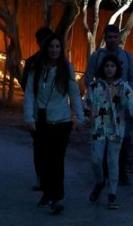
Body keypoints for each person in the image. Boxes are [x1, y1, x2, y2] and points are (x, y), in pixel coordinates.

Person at [23, 34, 85, 215]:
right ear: (45, 48)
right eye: (51, 46)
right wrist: (29, 117)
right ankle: (48, 192)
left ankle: (57, 197)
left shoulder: (66, 68)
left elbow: (74, 95)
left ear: (61, 49)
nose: (54, 50)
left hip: (62, 121)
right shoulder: (36, 68)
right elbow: (29, 94)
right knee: (43, 160)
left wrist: (79, 117)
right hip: (41, 119)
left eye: (58, 47)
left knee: (57, 160)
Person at [84, 54, 133, 209]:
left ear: (117, 68)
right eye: (107, 66)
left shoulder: (123, 87)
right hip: (98, 128)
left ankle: (112, 194)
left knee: (113, 161)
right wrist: (80, 119)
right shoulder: (95, 87)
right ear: (103, 68)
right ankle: (100, 181)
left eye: (112, 66)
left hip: (116, 129)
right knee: (96, 160)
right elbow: (86, 105)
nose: (109, 69)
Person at [85, 24, 133, 184]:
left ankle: (121, 170)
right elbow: (88, 77)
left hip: (121, 106)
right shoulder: (97, 56)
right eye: (109, 37)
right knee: (103, 137)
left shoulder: (127, 57)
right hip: (102, 106)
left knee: (124, 138)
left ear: (119, 38)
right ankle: (105, 171)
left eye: (115, 37)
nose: (112, 40)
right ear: (105, 38)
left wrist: (121, 93)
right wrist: (97, 93)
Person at [20, 26, 54, 192]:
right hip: (37, 110)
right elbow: (26, 85)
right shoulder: (32, 62)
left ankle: (47, 178)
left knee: (48, 147)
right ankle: (42, 178)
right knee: (40, 146)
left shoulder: (58, 63)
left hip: (53, 111)